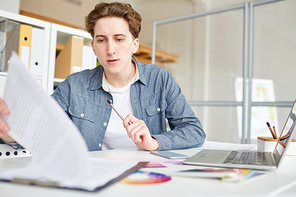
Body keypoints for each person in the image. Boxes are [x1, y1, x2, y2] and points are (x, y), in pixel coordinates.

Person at [0, 2, 206, 151]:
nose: (110, 49)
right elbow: (40, 127)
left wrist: (155, 141)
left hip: (146, 175)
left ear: (134, 44)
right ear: (93, 47)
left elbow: (195, 131)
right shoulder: (74, 85)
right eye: (101, 40)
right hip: (93, 178)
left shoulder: (160, 79)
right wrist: (10, 131)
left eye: (119, 39)